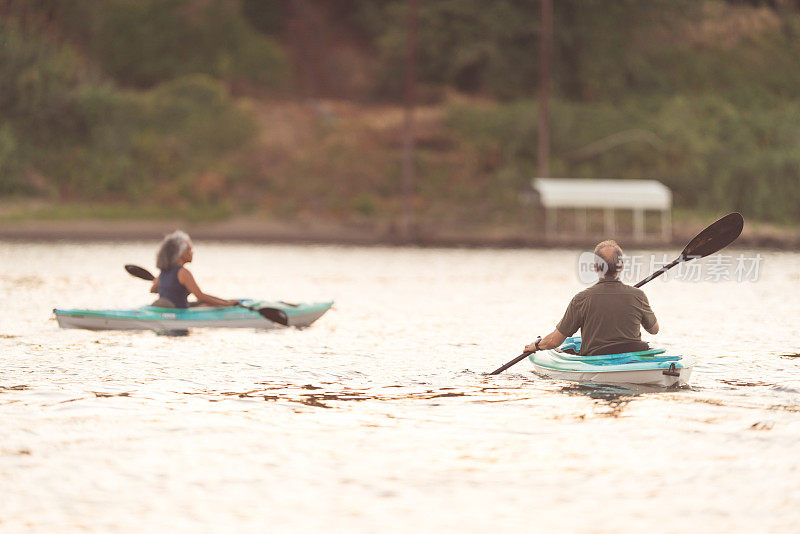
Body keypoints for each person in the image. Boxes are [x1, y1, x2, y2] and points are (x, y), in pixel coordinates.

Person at [525, 240, 659, 356]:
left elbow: (554, 341)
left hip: (596, 361)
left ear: (595, 267)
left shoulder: (581, 299)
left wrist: (537, 345)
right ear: (621, 266)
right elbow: (654, 330)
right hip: (633, 360)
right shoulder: (638, 296)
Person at [149, 230, 238, 308]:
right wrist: (226, 305)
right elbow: (200, 296)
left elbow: (153, 290)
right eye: (189, 250)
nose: (192, 252)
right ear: (181, 253)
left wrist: (162, 284)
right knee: (206, 304)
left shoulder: (164, 271)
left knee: (203, 303)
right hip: (178, 311)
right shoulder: (183, 272)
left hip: (167, 307)